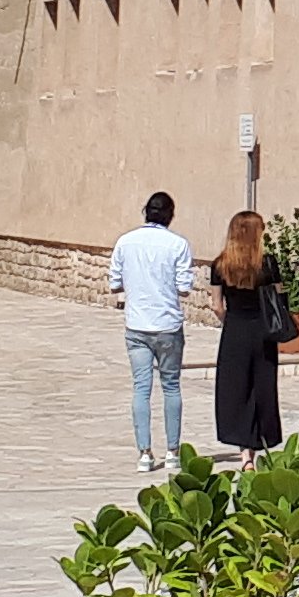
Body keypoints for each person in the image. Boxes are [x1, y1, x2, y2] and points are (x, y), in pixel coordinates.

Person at [110, 191, 193, 470]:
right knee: (171, 386)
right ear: (170, 214)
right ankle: (173, 451)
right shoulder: (178, 244)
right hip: (168, 324)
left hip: (136, 324)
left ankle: (144, 453)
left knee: (141, 388)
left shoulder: (125, 242)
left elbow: (114, 284)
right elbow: (184, 288)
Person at [208, 208, 289, 454]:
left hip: (235, 330)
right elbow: (280, 298)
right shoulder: (267, 263)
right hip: (262, 330)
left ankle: (245, 452)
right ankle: (260, 440)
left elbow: (216, 305)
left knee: (236, 389)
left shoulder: (220, 265)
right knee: (263, 387)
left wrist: (229, 321)